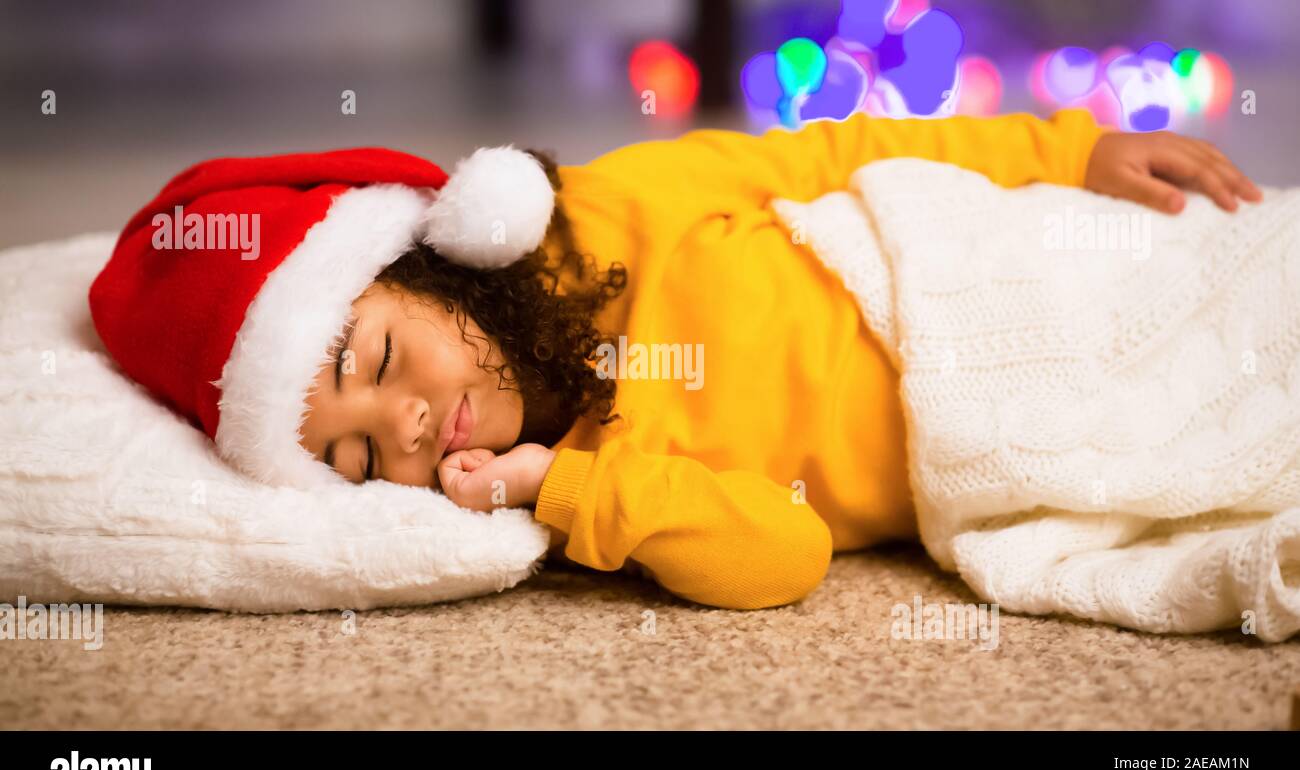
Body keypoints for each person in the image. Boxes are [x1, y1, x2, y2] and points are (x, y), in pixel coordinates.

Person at [90, 109, 1261, 610]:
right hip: (1009, 423)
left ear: (439, 264)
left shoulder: (603, 214)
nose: (400, 424)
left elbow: (839, 149)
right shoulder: (598, 484)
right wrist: (560, 486)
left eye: (382, 353)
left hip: (979, 261)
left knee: (1249, 272)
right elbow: (785, 553)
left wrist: (1062, 148)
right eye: (350, 455)